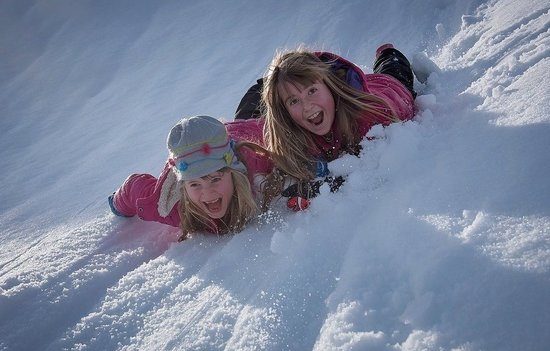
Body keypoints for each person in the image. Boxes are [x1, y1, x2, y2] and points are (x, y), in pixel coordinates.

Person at [235, 44, 416, 193]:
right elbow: (241, 133)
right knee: (248, 112)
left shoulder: (371, 116)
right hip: (279, 99)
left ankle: (387, 52)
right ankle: (272, 83)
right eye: (294, 101)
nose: (307, 106)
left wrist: (323, 185)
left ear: (330, 87)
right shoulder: (285, 127)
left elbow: (369, 169)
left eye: (312, 91)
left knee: (394, 70)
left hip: (388, 86)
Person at [109, 115, 273, 240]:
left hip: (246, 131)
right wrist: (118, 204)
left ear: (233, 173)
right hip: (193, 154)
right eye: (195, 184)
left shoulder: (254, 165)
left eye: (215, 179)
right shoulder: (170, 206)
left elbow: (277, 130)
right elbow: (134, 187)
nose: (207, 193)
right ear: (183, 187)